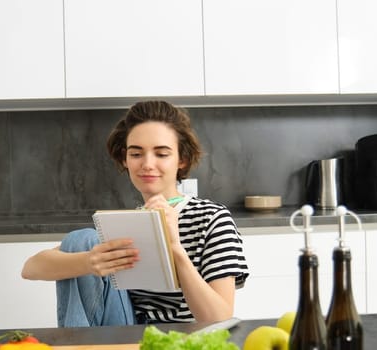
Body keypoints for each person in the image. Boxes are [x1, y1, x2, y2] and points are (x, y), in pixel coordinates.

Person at [21, 100, 249, 327]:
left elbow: (220, 319)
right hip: (128, 334)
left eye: (161, 154)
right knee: (82, 239)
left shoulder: (212, 218)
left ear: (182, 159)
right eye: (136, 153)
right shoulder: (127, 224)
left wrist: (174, 247)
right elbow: (30, 269)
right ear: (125, 159)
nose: (147, 164)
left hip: (183, 339)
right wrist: (90, 262)